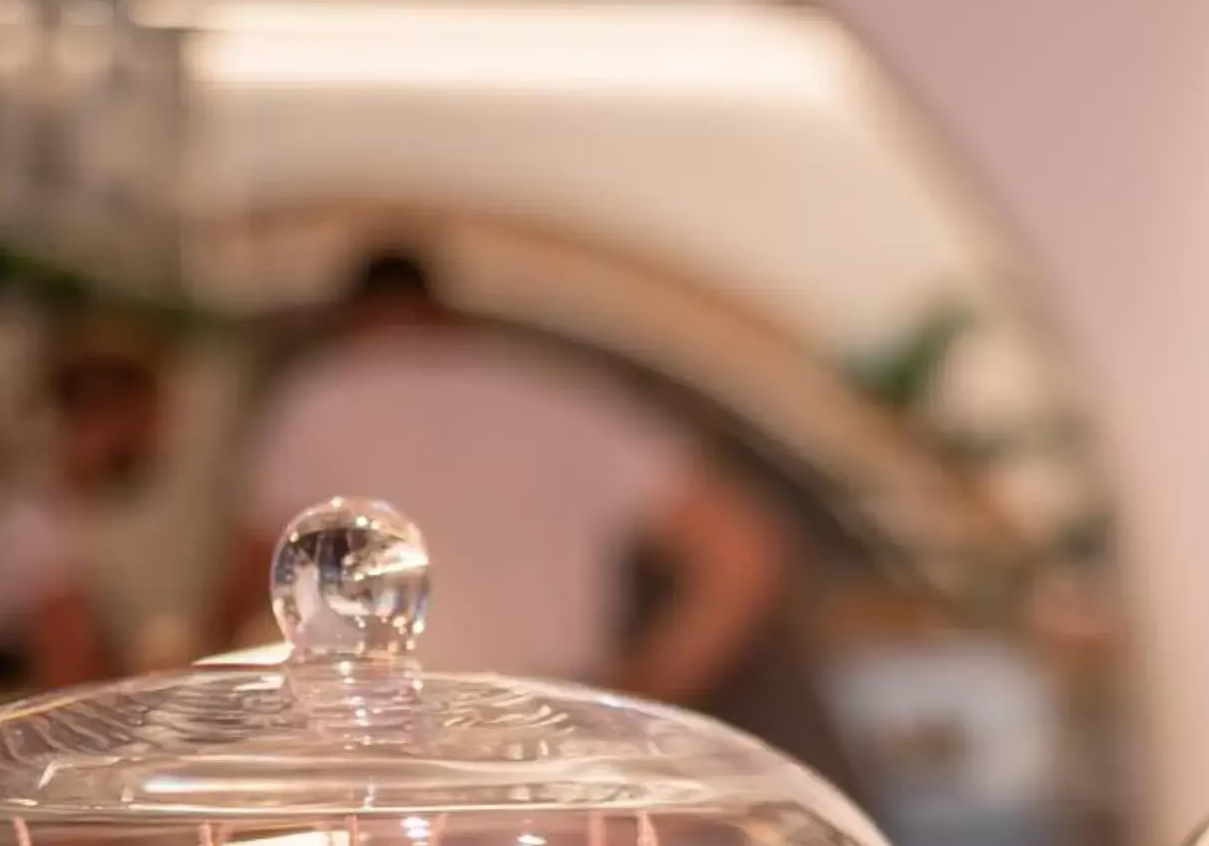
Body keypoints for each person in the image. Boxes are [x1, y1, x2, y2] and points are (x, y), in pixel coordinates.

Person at [222, 248, 789, 701]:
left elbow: (253, 575)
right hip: (553, 730)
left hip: (395, 735)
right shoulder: (552, 395)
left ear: (349, 321)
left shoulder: (321, 396)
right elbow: (743, 553)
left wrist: (203, 686)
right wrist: (642, 693)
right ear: (446, 315)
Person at [0, 342, 168, 688]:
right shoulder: (34, 531)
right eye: (149, 420)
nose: (159, 439)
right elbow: (69, 681)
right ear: (108, 420)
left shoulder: (64, 520)